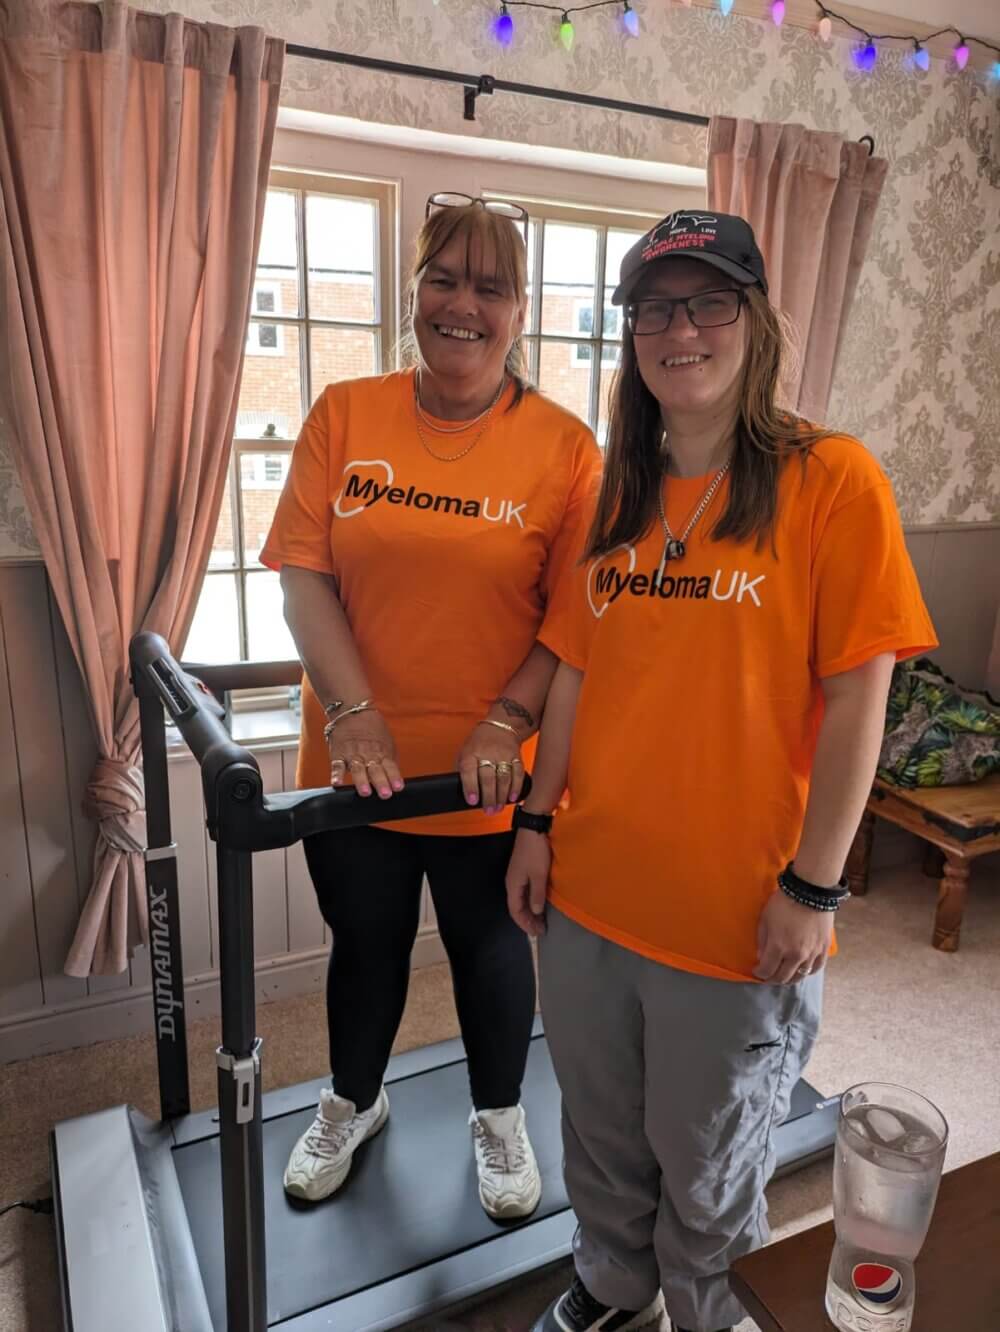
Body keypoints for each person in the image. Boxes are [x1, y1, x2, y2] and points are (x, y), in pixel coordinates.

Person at [505, 210, 937, 1332]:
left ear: (753, 321)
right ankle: (611, 1283)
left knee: (705, 1158)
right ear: (630, 332)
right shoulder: (616, 493)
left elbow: (859, 697)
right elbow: (577, 674)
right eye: (654, 306)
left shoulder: (831, 479)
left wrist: (814, 887)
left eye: (706, 302)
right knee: (597, 1128)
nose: (678, 328)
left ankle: (706, 1310)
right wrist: (534, 822)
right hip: (594, 897)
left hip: (734, 913)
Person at [259, 194, 602, 1219]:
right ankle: (351, 1102)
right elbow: (301, 576)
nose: (464, 305)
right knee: (363, 946)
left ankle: (497, 1117)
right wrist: (351, 706)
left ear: (520, 310)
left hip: (487, 769)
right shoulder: (346, 414)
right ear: (414, 292)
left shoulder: (563, 446)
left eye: (489, 287)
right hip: (356, 769)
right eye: (444, 279)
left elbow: (573, 620)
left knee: (489, 948)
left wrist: (506, 719)